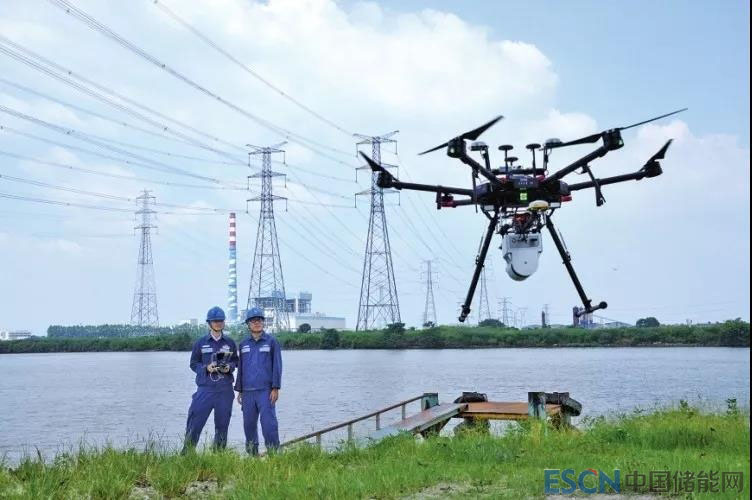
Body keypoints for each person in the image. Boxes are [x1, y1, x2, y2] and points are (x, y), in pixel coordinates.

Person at [182, 306, 238, 452]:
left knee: (222, 425)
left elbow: (235, 361)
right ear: (209, 323)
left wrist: (229, 367)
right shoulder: (200, 343)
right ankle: (187, 455)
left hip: (225, 390)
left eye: (220, 321)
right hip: (205, 389)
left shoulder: (230, 343)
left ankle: (218, 456)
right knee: (195, 423)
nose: (218, 323)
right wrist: (206, 368)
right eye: (215, 321)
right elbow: (193, 364)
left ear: (224, 322)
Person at [235, 307, 282, 455]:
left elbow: (277, 366)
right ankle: (252, 456)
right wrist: (240, 390)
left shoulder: (271, 342)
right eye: (253, 321)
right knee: (249, 426)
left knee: (269, 425)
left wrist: (275, 388)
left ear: (263, 323)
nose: (257, 323)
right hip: (247, 392)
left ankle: (274, 455)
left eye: (260, 320)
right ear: (248, 324)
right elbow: (241, 368)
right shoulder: (243, 344)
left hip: (265, 392)